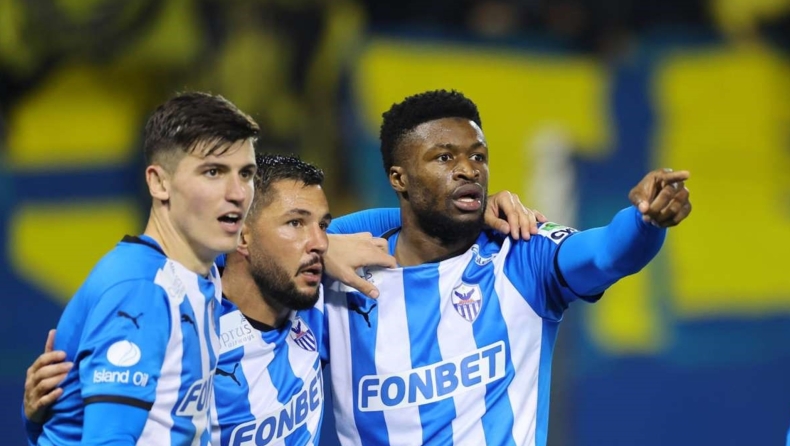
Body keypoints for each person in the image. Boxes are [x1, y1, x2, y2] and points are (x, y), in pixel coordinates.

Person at [23, 152, 545, 445]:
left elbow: (412, 221)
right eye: (295, 224)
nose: (318, 241)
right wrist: (48, 421)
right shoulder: (180, 330)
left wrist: (476, 213)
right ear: (241, 235)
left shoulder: (314, 303)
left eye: (322, 225)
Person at [320, 89, 692, 446]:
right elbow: (286, 243)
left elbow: (605, 254)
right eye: (444, 158)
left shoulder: (521, 252)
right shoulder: (341, 268)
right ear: (399, 178)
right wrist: (321, 246)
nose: (468, 170)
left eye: (478, 157)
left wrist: (645, 221)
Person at [31, 92, 260, 445]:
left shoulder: (197, 268)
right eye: (213, 172)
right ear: (159, 183)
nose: (238, 193)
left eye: (246, 173)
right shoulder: (142, 291)